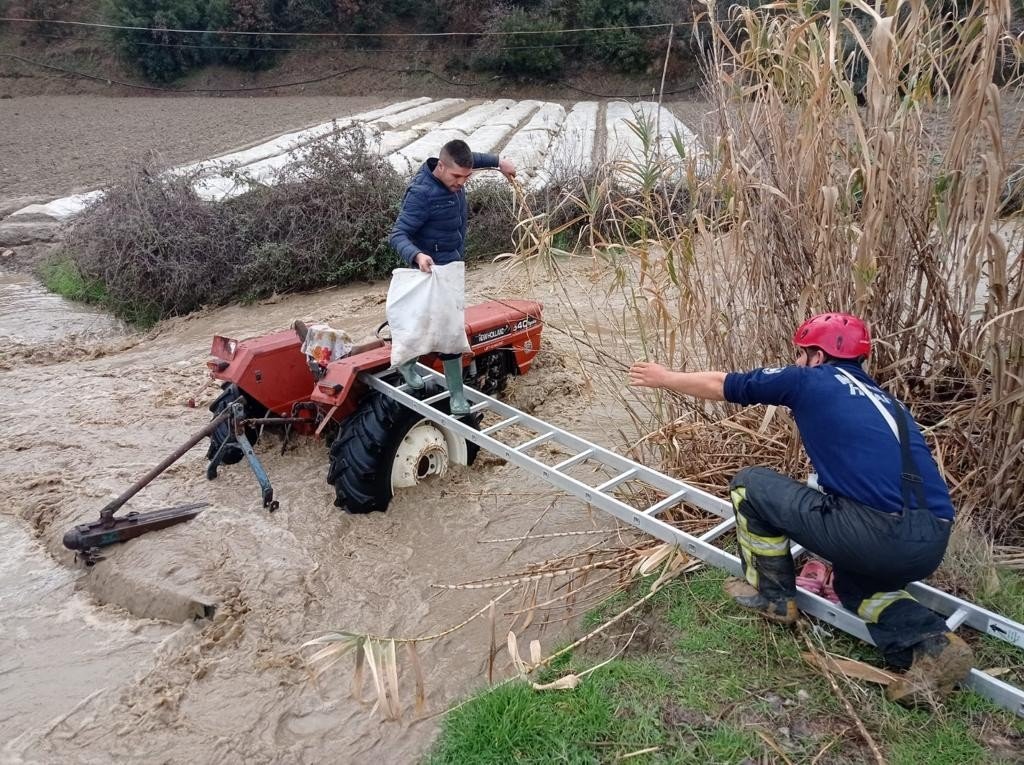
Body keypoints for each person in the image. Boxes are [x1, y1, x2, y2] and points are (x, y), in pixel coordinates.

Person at [628, 312, 973, 707]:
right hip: (931, 541)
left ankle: (773, 597)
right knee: (853, 585)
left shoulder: (810, 379)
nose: (796, 361)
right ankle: (932, 642)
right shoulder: (889, 403)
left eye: (801, 353)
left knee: (750, 485)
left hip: (878, 535)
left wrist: (665, 377)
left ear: (817, 356)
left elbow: (721, 384)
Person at [388, 139, 516, 415]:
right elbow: (398, 234)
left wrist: (499, 162)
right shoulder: (422, 194)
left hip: (452, 268)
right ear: (441, 167)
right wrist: (417, 255)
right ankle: (414, 369)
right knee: (433, 326)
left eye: (466, 177)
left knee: (449, 329)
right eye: (457, 176)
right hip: (428, 269)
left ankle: (453, 392)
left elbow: (472, 158)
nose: (462, 182)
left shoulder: (457, 169)